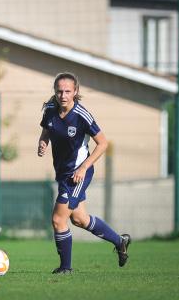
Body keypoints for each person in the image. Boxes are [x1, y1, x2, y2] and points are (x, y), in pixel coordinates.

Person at [37, 72, 131, 274]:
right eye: (59, 91)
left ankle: (65, 268)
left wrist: (83, 168)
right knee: (79, 218)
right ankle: (120, 241)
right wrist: (43, 142)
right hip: (63, 173)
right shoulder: (50, 110)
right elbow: (47, 130)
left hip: (77, 174)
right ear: (55, 91)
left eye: (67, 91)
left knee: (58, 219)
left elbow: (103, 143)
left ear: (75, 92)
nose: (63, 95)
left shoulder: (82, 115)